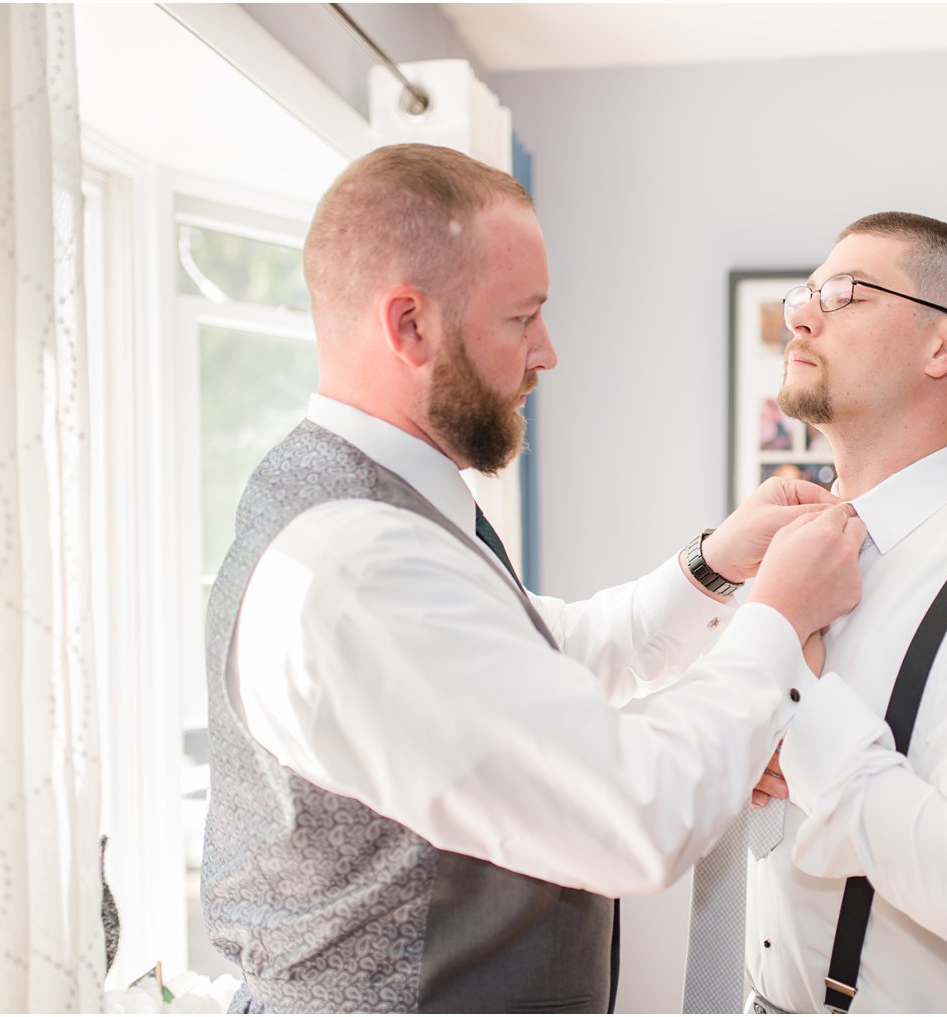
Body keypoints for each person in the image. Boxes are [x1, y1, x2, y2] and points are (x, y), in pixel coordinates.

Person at [200, 143, 867, 1014]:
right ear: (410, 326)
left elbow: (534, 654)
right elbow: (634, 813)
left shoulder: (387, 507)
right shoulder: (354, 566)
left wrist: (713, 566)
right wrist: (776, 617)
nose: (547, 354)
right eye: (523, 318)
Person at [690, 212, 947, 1013]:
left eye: (845, 294)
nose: (802, 314)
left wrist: (799, 691)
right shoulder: (783, 550)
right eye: (807, 294)